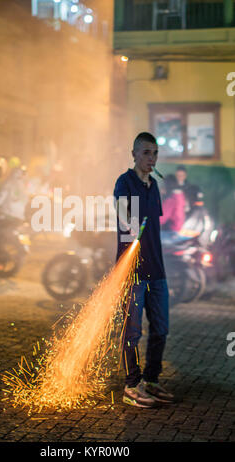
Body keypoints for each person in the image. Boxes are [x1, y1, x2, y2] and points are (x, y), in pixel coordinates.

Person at [114, 132, 174, 408]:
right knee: (132, 331)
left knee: (161, 328)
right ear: (135, 154)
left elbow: (155, 228)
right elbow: (123, 214)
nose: (152, 158)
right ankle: (132, 385)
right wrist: (130, 222)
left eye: (155, 153)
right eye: (147, 152)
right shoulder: (124, 183)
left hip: (157, 269)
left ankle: (150, 379)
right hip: (133, 271)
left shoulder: (154, 187)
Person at [160, 174, 187, 244]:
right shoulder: (181, 196)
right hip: (177, 231)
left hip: (169, 233)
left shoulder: (171, 199)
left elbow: (161, 218)